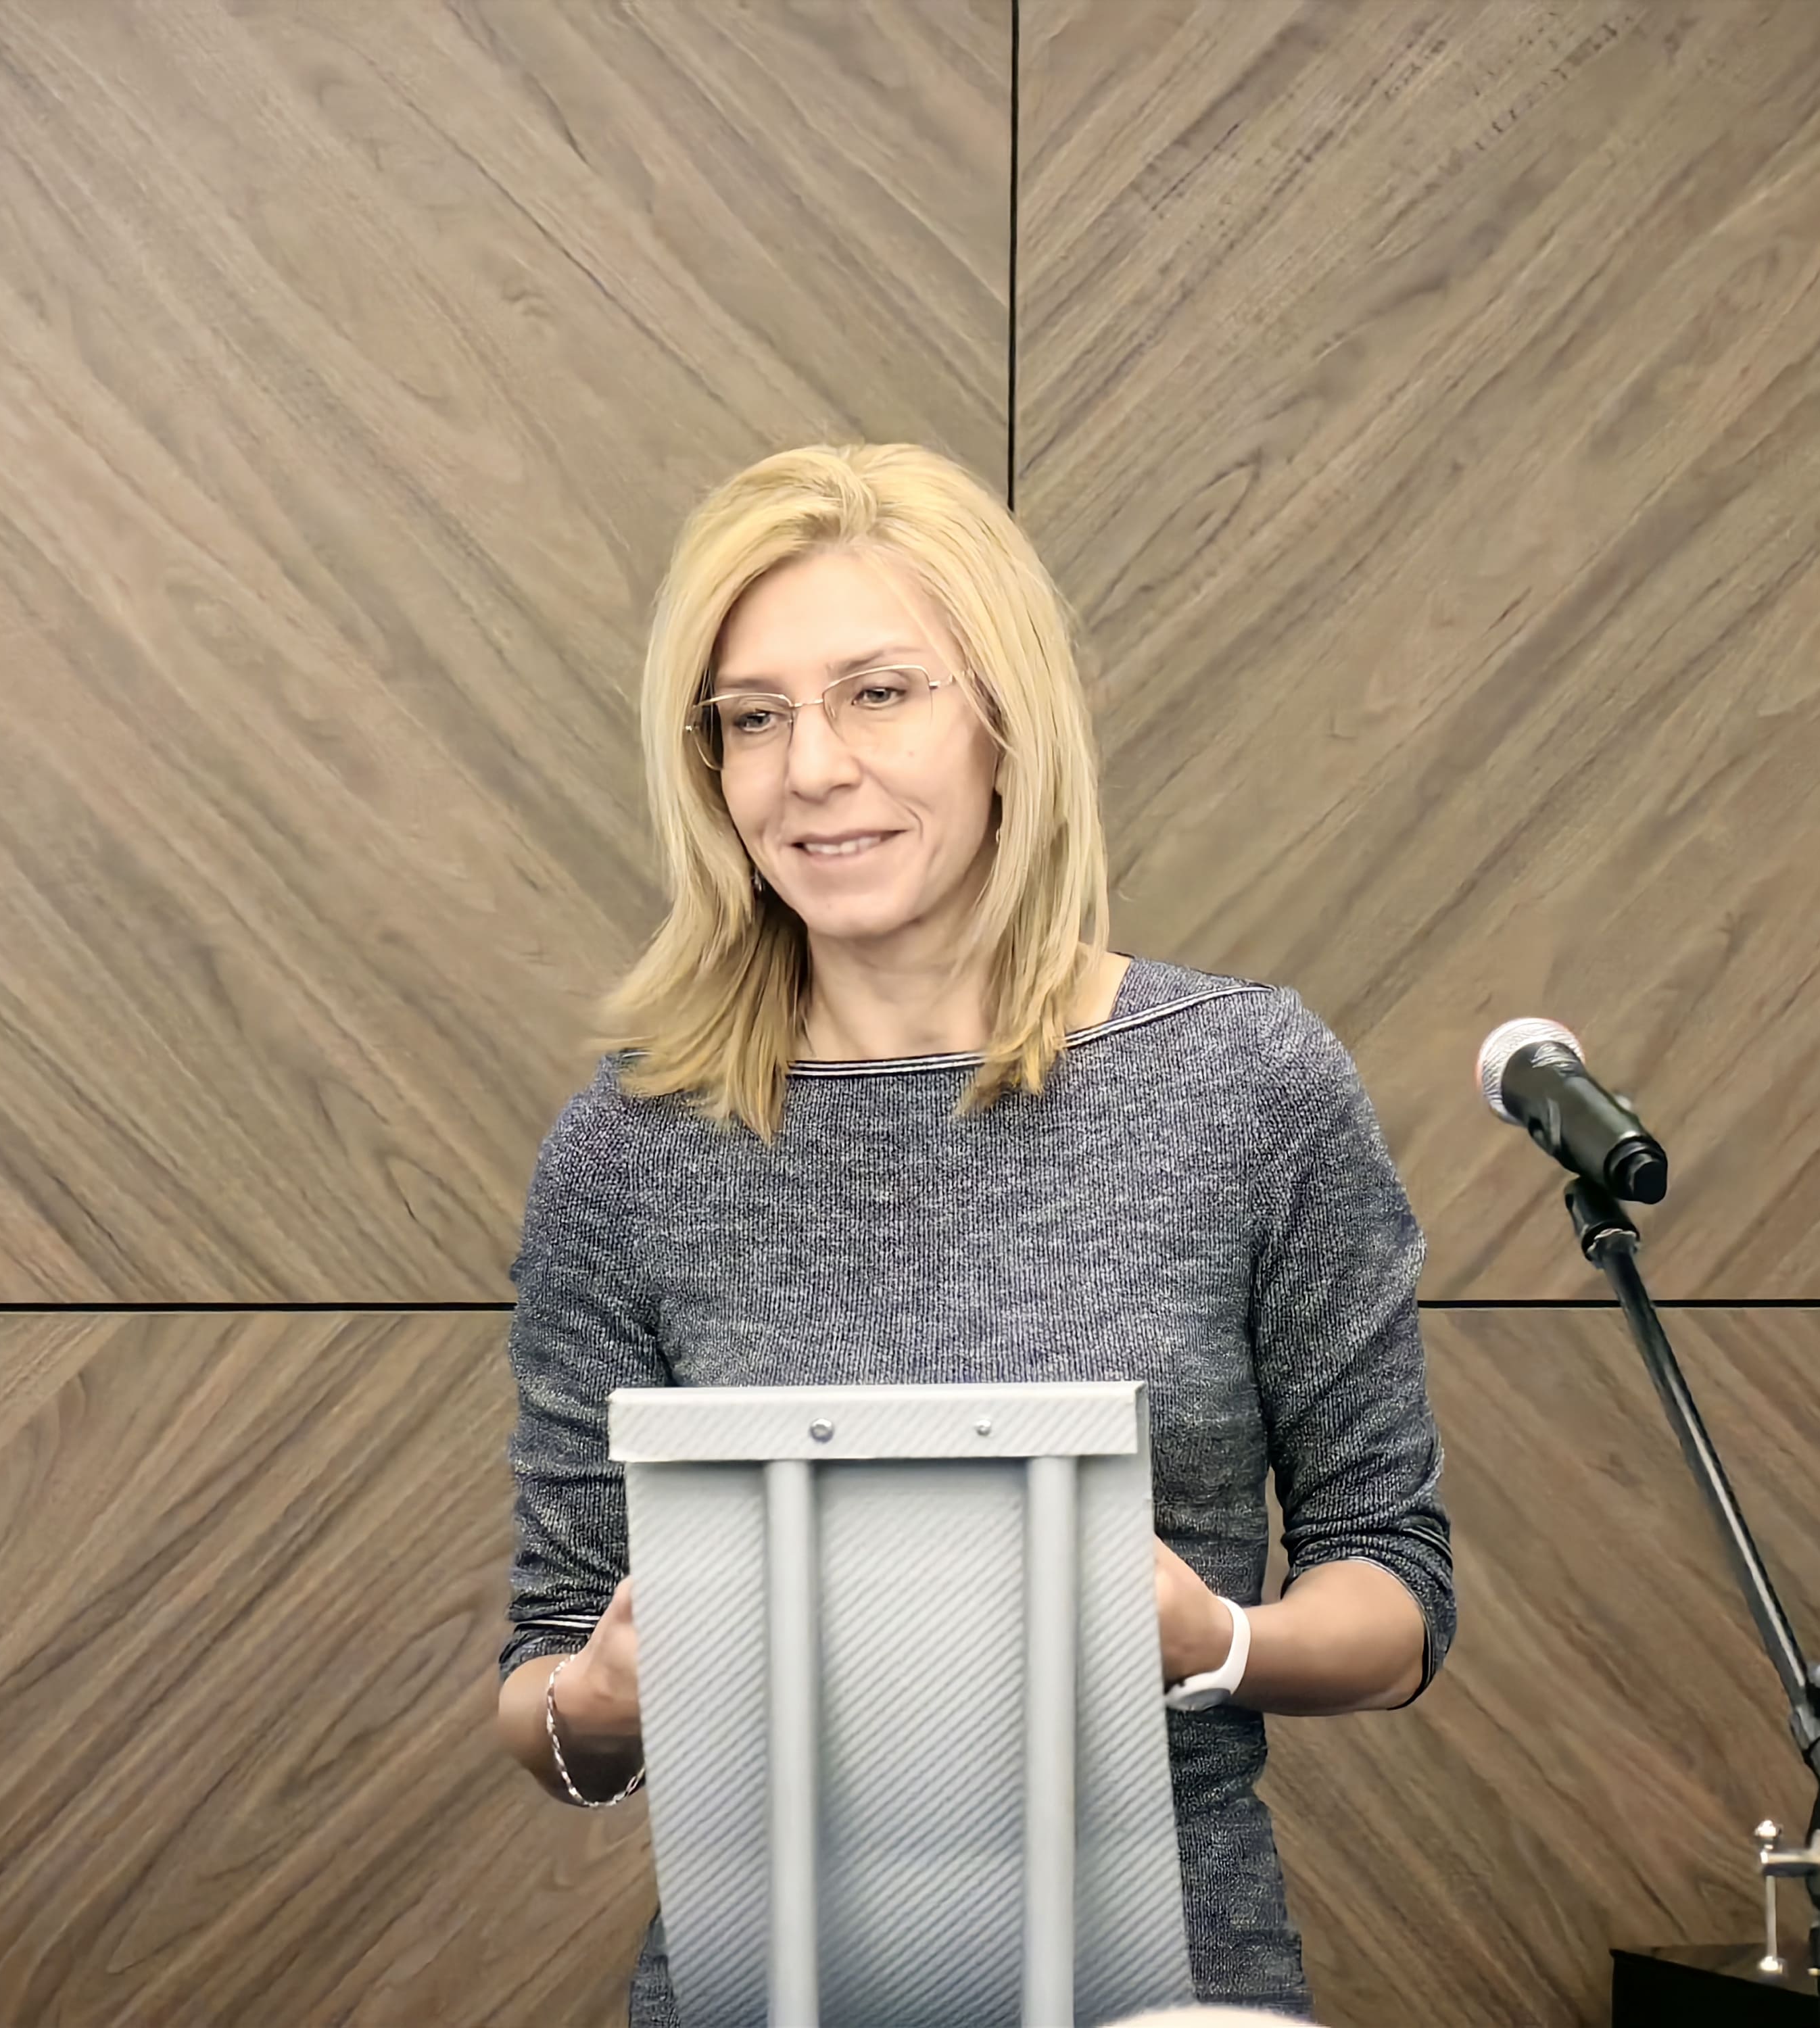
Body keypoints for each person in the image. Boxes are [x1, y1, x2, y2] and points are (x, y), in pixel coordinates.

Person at [492, 442, 1454, 2024]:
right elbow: (546, 1685)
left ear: (1007, 722)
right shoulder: (628, 1149)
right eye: (753, 717)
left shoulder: (1247, 1083)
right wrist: (597, 1697)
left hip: (1170, 1989)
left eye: (878, 694)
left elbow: (1395, 1590)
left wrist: (1216, 1642)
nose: (810, 769)